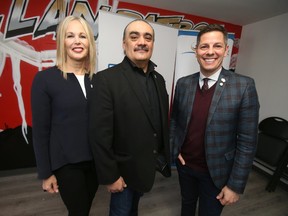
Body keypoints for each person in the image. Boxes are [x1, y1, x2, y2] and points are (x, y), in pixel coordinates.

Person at [170, 24, 260, 216]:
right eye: (204, 46)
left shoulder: (243, 86)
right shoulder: (183, 83)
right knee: (186, 205)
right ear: (196, 51)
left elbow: (247, 142)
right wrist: (174, 148)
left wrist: (235, 185)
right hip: (185, 167)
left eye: (217, 46)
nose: (210, 52)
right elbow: (174, 121)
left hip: (217, 173)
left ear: (226, 50)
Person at [89, 19, 171, 216]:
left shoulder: (159, 79)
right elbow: (99, 135)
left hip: (146, 168)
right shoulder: (106, 79)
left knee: (133, 211)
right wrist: (110, 176)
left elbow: (157, 123)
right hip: (122, 173)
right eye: (134, 37)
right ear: (124, 44)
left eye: (147, 38)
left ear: (152, 45)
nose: (141, 42)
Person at [31, 15, 98, 216]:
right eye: (70, 36)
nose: (77, 41)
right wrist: (46, 173)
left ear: (89, 42)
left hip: (94, 163)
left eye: (82, 36)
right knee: (79, 211)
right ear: (62, 42)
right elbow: (41, 132)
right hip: (66, 164)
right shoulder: (45, 79)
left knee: (83, 209)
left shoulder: (98, 80)